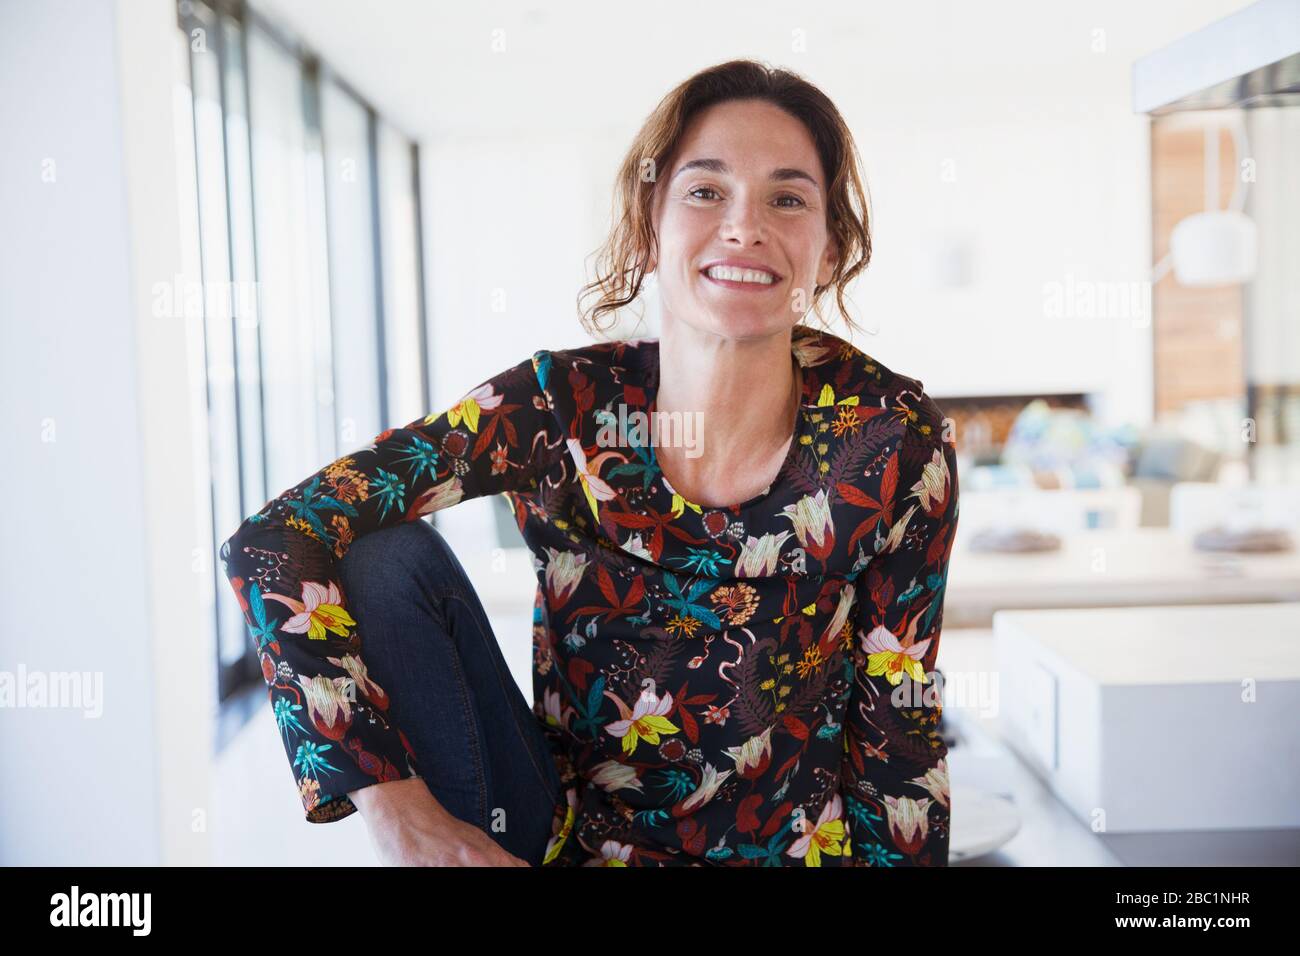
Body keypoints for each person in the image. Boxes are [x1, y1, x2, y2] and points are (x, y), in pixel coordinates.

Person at [220, 58, 960, 867]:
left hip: (790, 854)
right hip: (566, 838)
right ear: (649, 226)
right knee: (381, 552)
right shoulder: (560, 403)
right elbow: (275, 536)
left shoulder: (892, 440)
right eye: (705, 191)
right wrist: (403, 818)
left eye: (788, 198)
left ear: (830, 247)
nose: (746, 227)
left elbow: (901, 719)